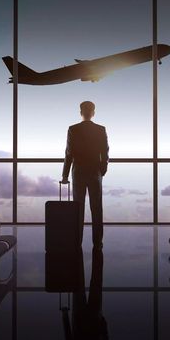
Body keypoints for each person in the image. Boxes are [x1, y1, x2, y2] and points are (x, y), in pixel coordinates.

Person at [61, 101, 109, 248]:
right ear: (93, 112)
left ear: (80, 112)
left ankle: (77, 240)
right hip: (95, 172)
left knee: (78, 208)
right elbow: (105, 152)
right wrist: (102, 171)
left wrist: (65, 175)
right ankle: (97, 242)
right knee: (97, 208)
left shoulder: (73, 129)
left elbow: (69, 153)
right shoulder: (100, 129)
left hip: (79, 172)